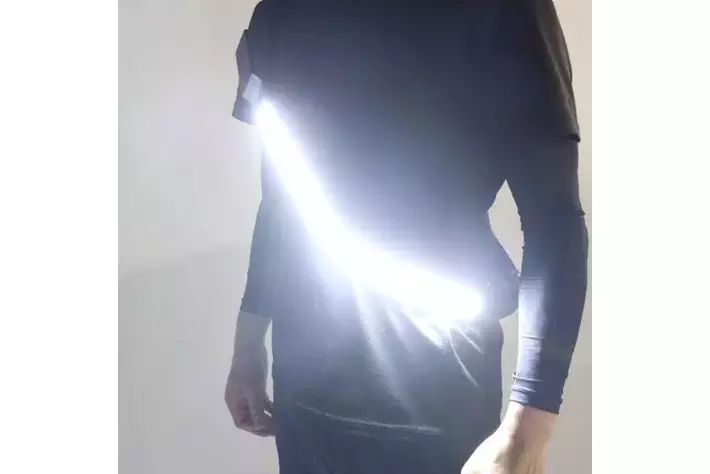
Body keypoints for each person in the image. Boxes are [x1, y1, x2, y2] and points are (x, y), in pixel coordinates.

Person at [225, 1, 588, 473]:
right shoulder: (286, 9)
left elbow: (554, 220)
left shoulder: (504, 9)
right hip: (305, 394)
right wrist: (249, 341)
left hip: (436, 399)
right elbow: (283, 186)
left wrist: (529, 426)